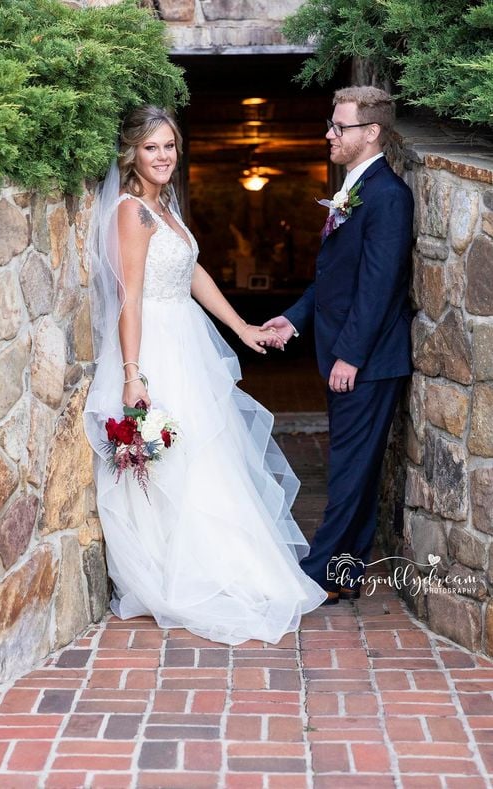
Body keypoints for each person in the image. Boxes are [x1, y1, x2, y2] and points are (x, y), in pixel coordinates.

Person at [84, 105, 326, 645]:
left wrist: (241, 327)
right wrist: (132, 373)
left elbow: (191, 271)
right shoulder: (131, 213)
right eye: (151, 148)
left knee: (210, 455)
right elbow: (130, 297)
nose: (163, 156)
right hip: (154, 346)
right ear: (132, 154)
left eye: (169, 145)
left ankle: (225, 564)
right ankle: (180, 573)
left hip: (189, 342)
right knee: (175, 460)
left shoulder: (164, 206)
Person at [263, 86, 414, 604]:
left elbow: (379, 284)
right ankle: (344, 576)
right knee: (360, 467)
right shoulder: (357, 186)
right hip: (349, 353)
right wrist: (293, 318)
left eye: (339, 127)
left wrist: (350, 354)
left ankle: (316, 572)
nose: (329, 133)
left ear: (370, 133)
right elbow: (335, 277)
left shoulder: (388, 196)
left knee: (348, 467)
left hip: (367, 361)